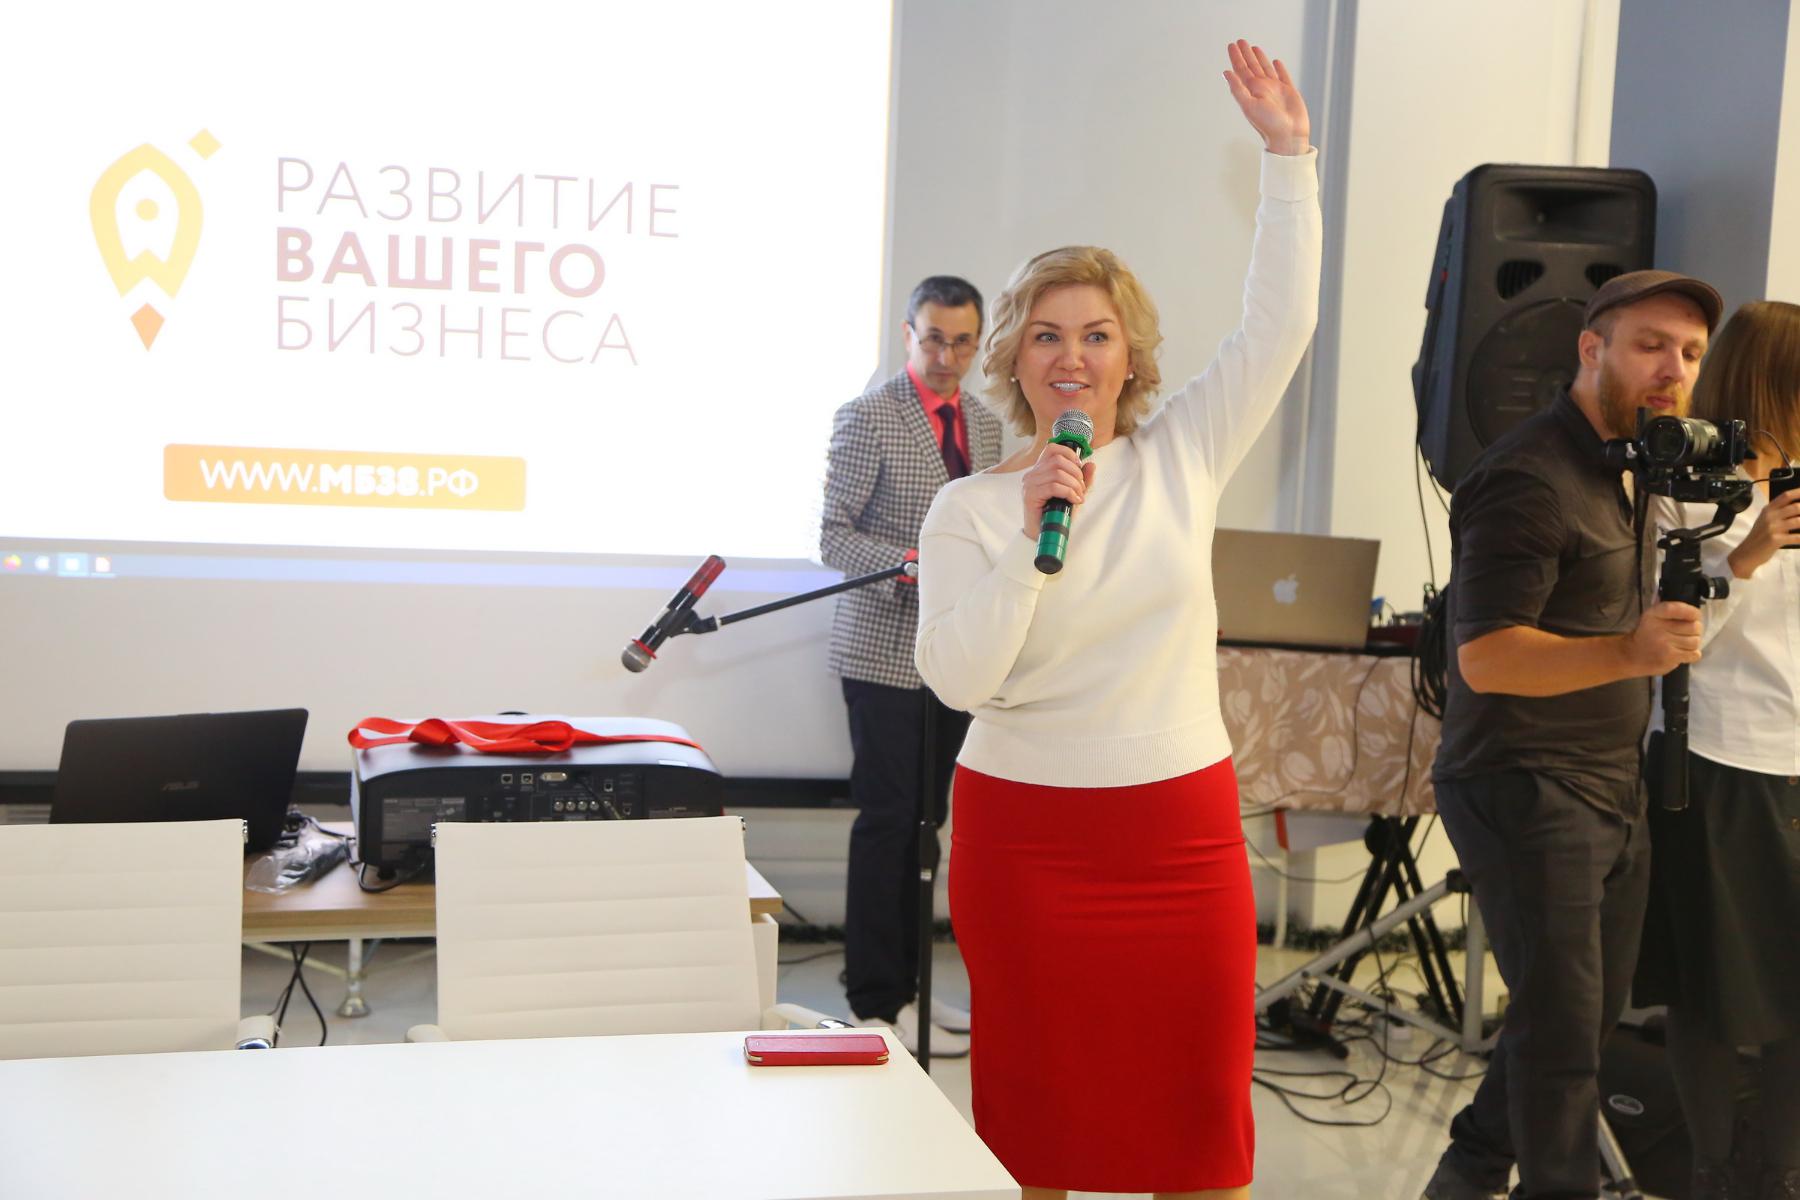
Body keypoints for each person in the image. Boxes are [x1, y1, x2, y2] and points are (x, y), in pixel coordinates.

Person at [914, 40, 1317, 1200]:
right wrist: (1031, 542)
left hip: (1177, 832)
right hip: (1026, 840)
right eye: (1047, 334)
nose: (1072, 355)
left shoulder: (1181, 453)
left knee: (1197, 1129)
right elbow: (959, 679)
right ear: (1014, 356)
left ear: (1129, 356)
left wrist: (1289, 160)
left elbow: (1278, 327)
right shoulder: (968, 509)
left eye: (1096, 334)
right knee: (1037, 1127)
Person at [1420, 270, 1723, 1200]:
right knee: (1560, 1043)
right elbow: (1487, 660)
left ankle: (1465, 1177)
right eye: (1650, 346)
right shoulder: (1527, 476)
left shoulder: (1632, 465)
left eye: (1690, 353)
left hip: (1609, 780)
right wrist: (1631, 652)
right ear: (1592, 349)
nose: (1673, 369)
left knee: (1577, 1025)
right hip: (1523, 782)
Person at [1634, 300, 1800, 1200]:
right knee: (1709, 985)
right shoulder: (1689, 487)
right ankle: (1711, 1172)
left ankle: (1779, 1173)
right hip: (1715, 759)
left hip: (1793, 762)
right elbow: (1670, 634)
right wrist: (1746, 557)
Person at [820, 274, 1004, 1055]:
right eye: (934, 339)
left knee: (931, 826)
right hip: (885, 655)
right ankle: (874, 1000)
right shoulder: (868, 417)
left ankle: (914, 993)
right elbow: (833, 536)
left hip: (957, 657)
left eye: (962, 342)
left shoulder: (988, 426)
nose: (947, 357)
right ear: (908, 335)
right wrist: (913, 564)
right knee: (889, 822)